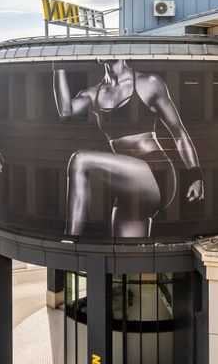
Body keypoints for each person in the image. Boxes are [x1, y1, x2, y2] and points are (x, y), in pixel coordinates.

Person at [54, 59, 204, 240]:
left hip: (155, 174)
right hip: (127, 186)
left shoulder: (148, 83)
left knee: (80, 160)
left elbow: (178, 131)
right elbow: (65, 112)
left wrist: (195, 174)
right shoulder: (93, 93)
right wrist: (58, 63)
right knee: (122, 251)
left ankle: (70, 241)